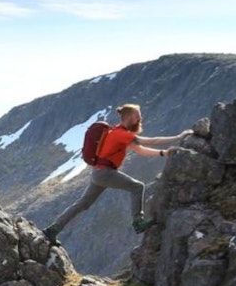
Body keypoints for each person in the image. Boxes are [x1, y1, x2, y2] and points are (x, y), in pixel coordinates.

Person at [43, 103, 189, 244]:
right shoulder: (121, 134)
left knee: (82, 204)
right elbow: (151, 141)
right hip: (105, 173)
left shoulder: (118, 133)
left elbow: (140, 150)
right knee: (137, 187)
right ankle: (138, 222)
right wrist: (178, 137)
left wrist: (163, 153)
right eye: (137, 116)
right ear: (129, 118)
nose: (139, 119)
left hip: (98, 173)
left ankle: (52, 230)